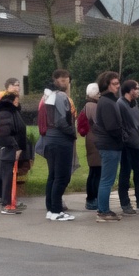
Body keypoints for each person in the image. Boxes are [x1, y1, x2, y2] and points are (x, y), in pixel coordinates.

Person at [40, 70, 77, 221]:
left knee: (53, 176)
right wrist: (72, 133)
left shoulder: (48, 96)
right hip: (61, 140)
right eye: (63, 80)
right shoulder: (61, 97)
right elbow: (62, 121)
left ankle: (51, 209)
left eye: (66, 80)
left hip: (49, 138)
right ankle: (56, 210)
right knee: (62, 177)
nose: (66, 83)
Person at [90, 71, 125, 223]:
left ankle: (104, 209)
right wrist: (123, 136)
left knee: (107, 179)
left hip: (111, 144)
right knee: (107, 180)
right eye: (115, 84)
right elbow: (111, 127)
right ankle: (102, 211)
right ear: (106, 85)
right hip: (110, 145)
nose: (118, 86)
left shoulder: (109, 101)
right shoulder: (106, 102)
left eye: (118, 83)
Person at [116, 80, 139, 213]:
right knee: (125, 173)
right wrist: (126, 138)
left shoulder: (134, 104)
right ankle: (125, 203)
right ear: (129, 90)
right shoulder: (120, 104)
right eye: (136, 88)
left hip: (138, 144)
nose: (138, 91)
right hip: (127, 145)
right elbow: (120, 125)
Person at [0, 89, 29, 214]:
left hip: (12, 149)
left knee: (10, 176)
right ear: (11, 101)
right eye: (17, 99)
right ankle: (7, 204)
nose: (18, 102)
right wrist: (16, 147)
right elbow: (5, 133)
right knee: (8, 177)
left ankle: (10, 202)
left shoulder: (12, 112)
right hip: (9, 149)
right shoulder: (6, 112)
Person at [80, 82, 102, 210]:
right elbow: (98, 123)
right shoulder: (93, 106)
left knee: (93, 171)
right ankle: (92, 199)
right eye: (98, 93)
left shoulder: (87, 105)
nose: (100, 95)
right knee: (96, 172)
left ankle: (91, 198)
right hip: (95, 142)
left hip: (90, 140)